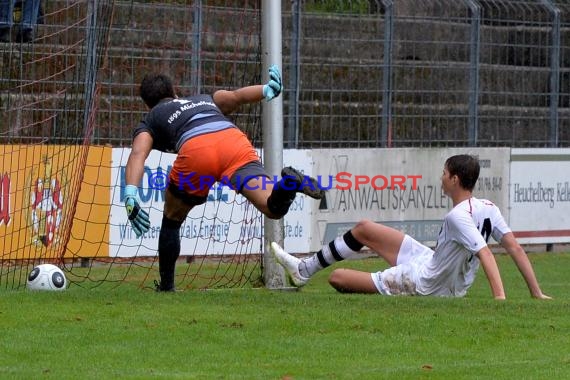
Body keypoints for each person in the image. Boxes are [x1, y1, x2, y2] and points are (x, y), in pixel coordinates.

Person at [124, 65, 325, 291]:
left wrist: (130, 194)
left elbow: (138, 154)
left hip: (197, 151)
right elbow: (237, 96)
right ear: (175, 91)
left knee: (172, 219)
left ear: (147, 103)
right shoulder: (203, 99)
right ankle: (289, 183)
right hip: (233, 142)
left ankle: (167, 286)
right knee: (273, 207)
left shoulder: (151, 118)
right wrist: (266, 89)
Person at [272, 154, 551, 300]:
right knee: (364, 228)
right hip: (430, 264)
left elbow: (487, 255)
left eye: (444, 173)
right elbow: (513, 247)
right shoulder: (489, 207)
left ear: (454, 179)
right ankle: (303, 270)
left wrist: (499, 298)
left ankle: (308, 271)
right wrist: (535, 292)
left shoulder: (458, 217)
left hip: (426, 285)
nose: (440, 178)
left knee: (338, 279)